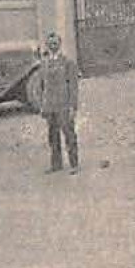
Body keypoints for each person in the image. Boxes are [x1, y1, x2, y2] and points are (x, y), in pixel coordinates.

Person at [28, 31, 80, 174]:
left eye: (55, 43)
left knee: (69, 135)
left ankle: (74, 163)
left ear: (60, 44)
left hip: (64, 105)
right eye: (50, 43)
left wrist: (73, 106)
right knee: (53, 136)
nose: (53, 45)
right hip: (50, 106)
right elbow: (43, 87)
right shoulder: (44, 64)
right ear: (47, 45)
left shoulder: (68, 62)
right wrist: (43, 106)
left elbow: (73, 86)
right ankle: (56, 164)